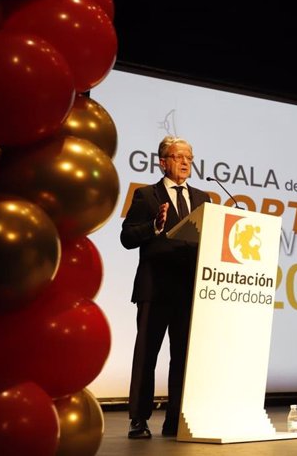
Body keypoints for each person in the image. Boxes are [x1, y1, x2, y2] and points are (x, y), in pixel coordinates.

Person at [120, 136, 211, 438]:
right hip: (155, 289)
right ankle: (138, 419)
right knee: (147, 355)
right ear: (162, 161)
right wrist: (153, 228)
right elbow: (127, 237)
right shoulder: (146, 196)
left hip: (188, 291)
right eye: (178, 156)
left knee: (183, 357)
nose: (185, 162)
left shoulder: (203, 198)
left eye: (189, 156)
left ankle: (176, 420)